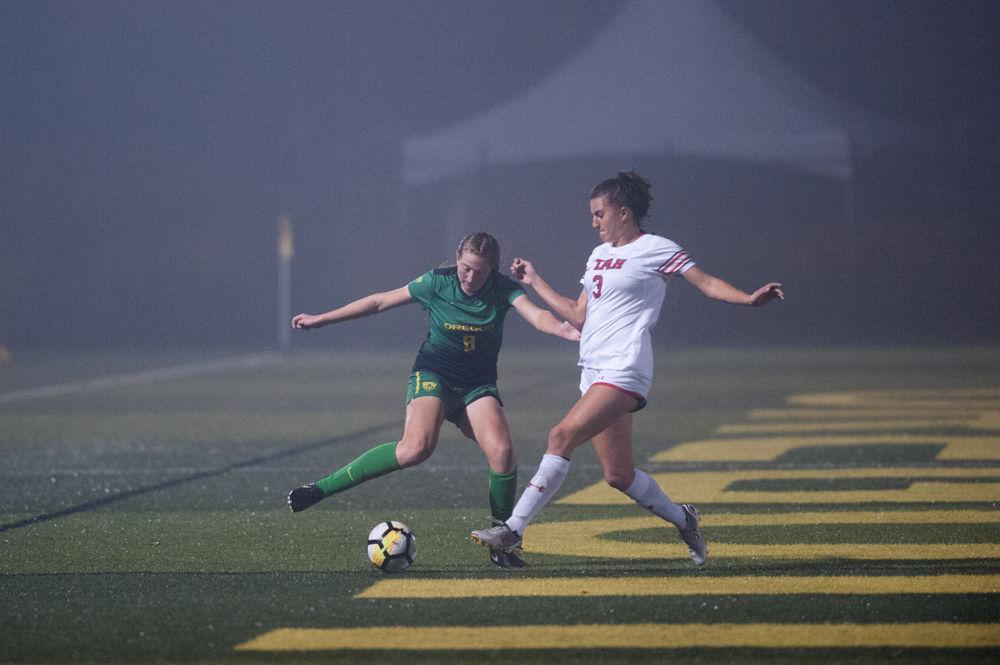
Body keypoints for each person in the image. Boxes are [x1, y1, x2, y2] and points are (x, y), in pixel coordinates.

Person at [470, 171, 784, 566]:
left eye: (599, 214)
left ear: (623, 211)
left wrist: (747, 299)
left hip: (626, 368)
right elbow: (579, 315)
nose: (594, 222)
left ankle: (513, 529)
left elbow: (705, 283)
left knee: (561, 435)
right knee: (618, 475)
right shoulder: (598, 256)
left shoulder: (656, 248)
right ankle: (683, 518)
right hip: (593, 370)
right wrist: (535, 280)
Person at [286, 231, 580, 569]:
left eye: (480, 271)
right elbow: (380, 301)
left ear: (492, 270)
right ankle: (320, 489)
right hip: (434, 375)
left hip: (477, 384)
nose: (470, 277)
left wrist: (562, 328)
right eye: (465, 268)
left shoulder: (502, 289)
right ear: (457, 259)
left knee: (503, 453)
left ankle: (503, 541)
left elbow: (535, 314)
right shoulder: (436, 283)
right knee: (416, 449)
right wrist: (321, 319)